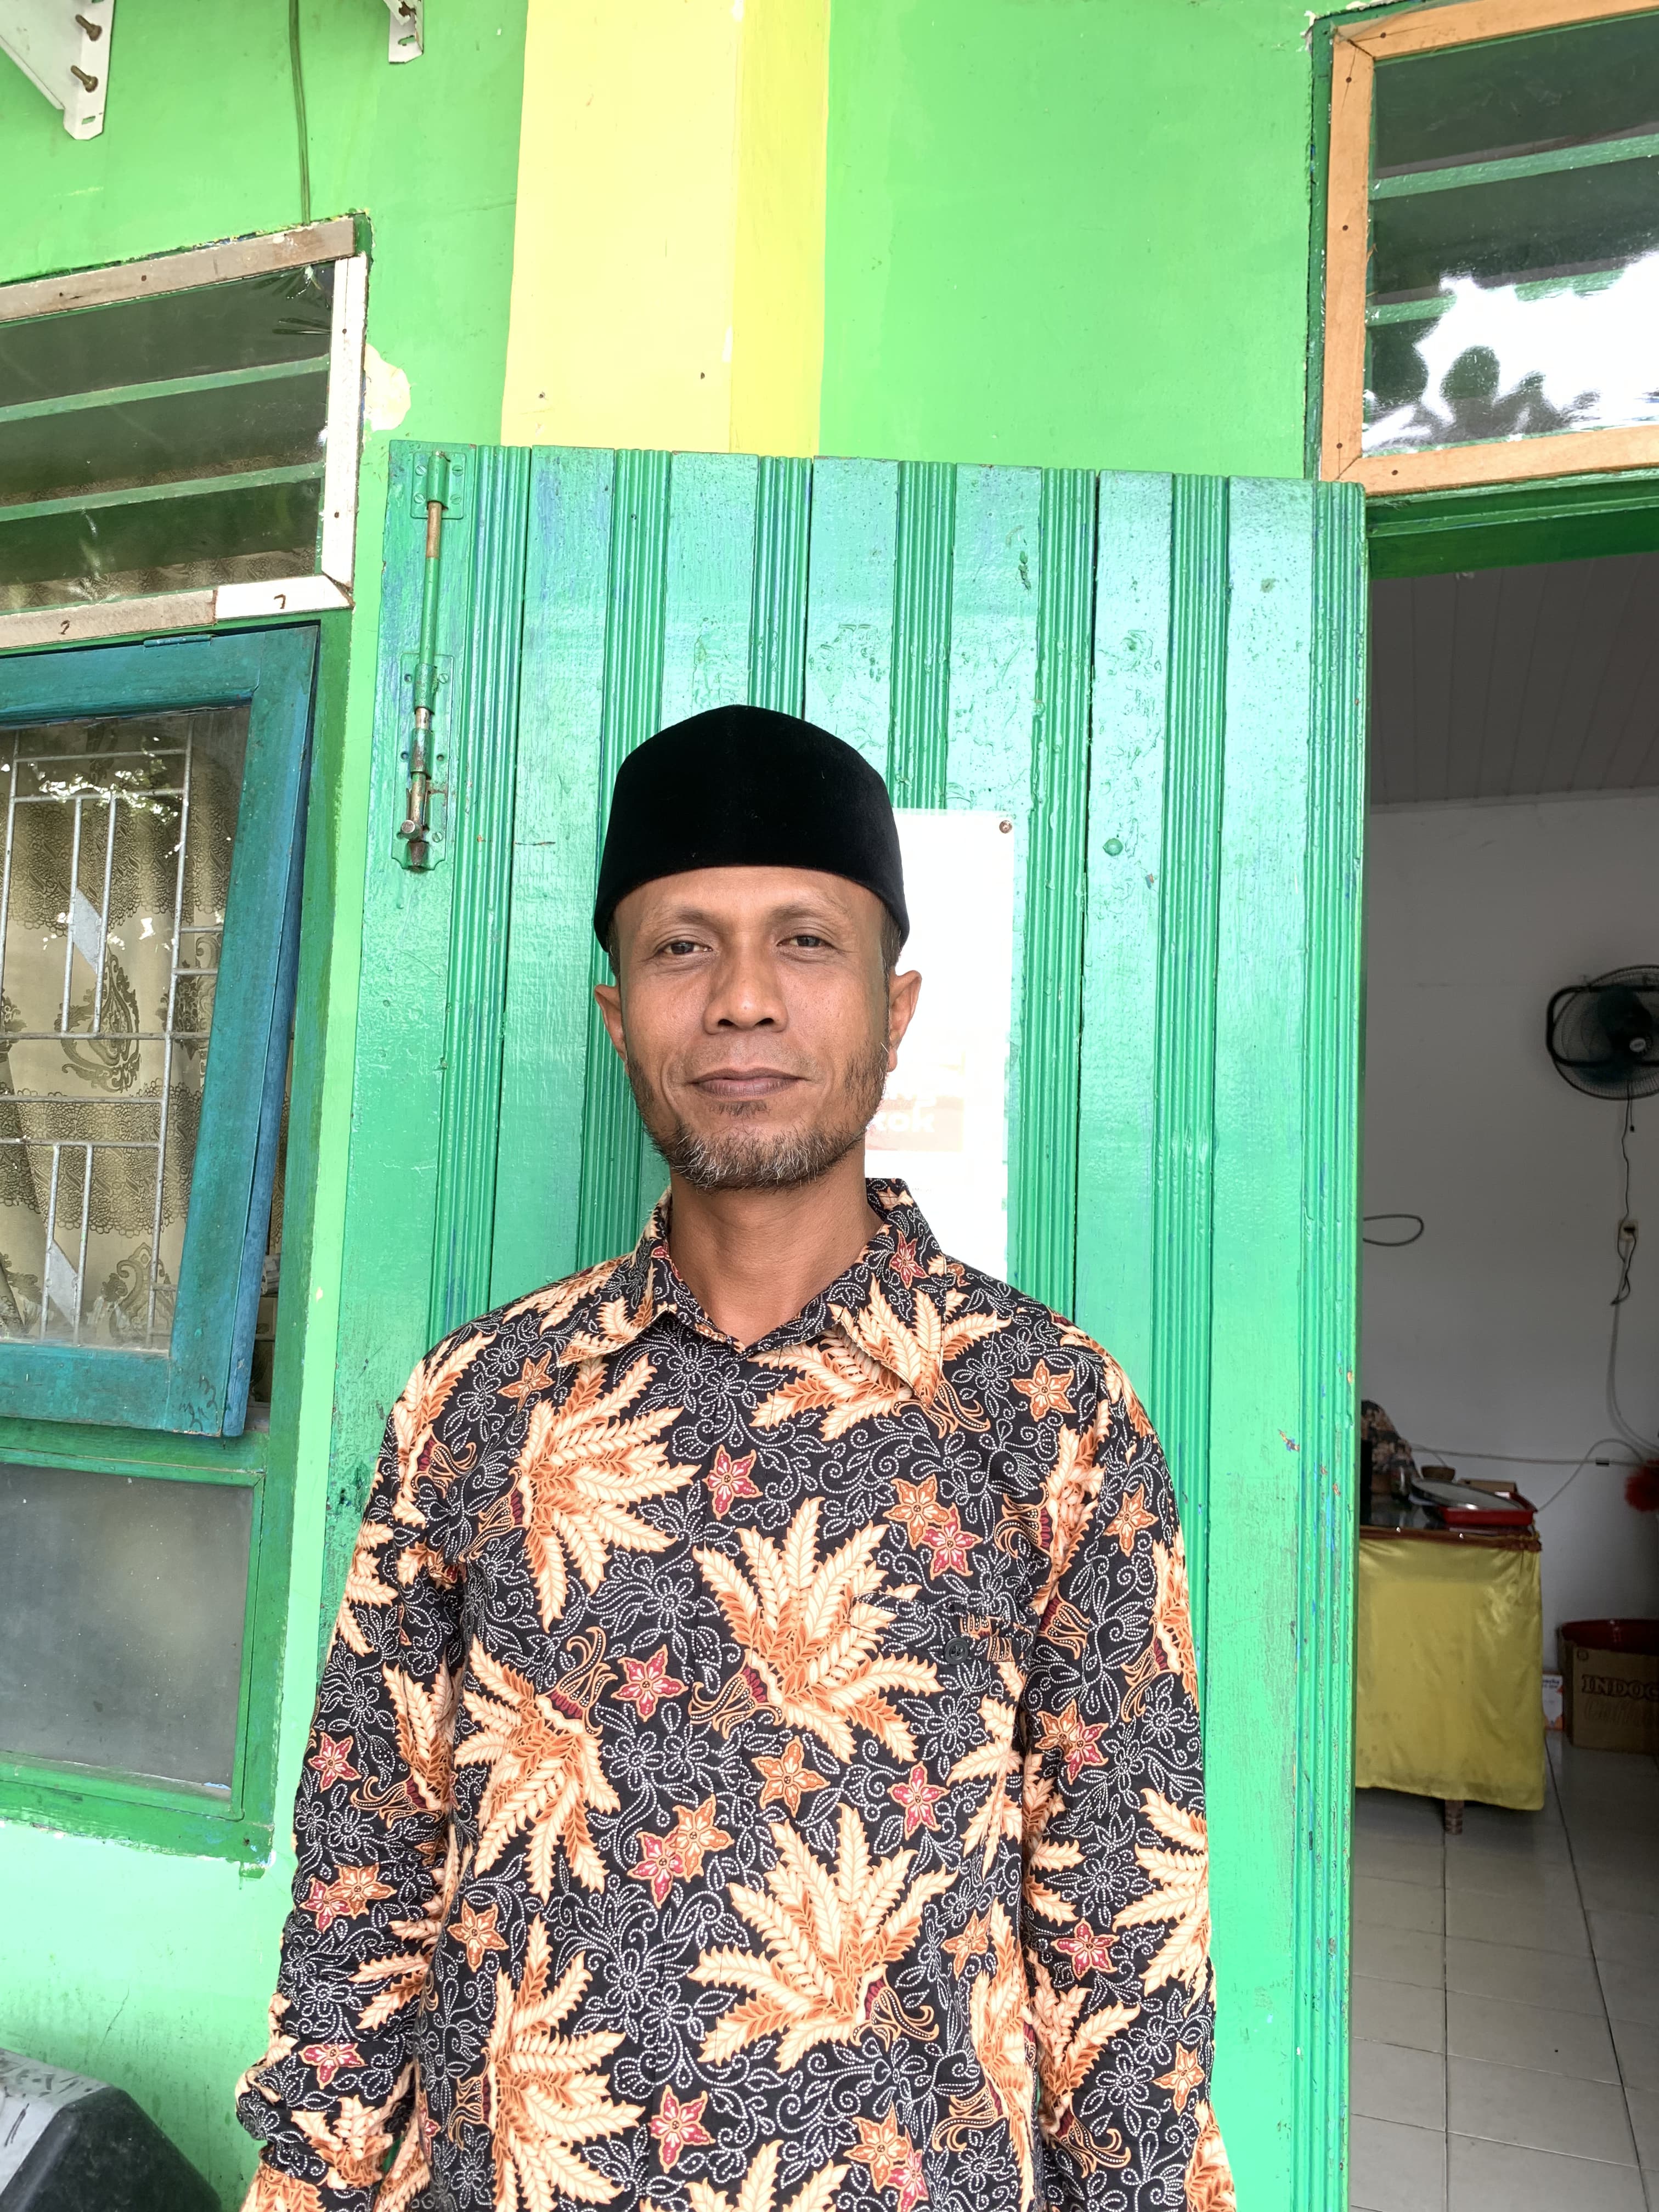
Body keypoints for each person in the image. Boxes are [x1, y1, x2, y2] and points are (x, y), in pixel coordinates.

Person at [236, 706, 1234, 2212]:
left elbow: (1126, 1932)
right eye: (682, 948)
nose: (744, 1001)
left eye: (806, 943)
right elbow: (365, 1855)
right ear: (616, 1014)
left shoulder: (1050, 1417)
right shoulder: (482, 1401)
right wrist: (304, 2179)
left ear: (897, 1009)